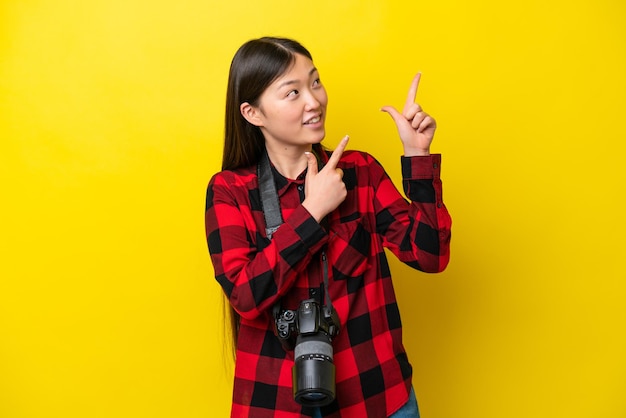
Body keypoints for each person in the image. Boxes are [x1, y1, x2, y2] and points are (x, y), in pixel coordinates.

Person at [205, 36, 451, 418]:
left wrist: (417, 156)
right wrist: (311, 212)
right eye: (293, 92)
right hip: (275, 404)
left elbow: (431, 255)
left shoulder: (360, 172)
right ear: (253, 113)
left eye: (315, 82)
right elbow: (246, 297)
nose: (314, 101)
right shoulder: (230, 191)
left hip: (377, 398)